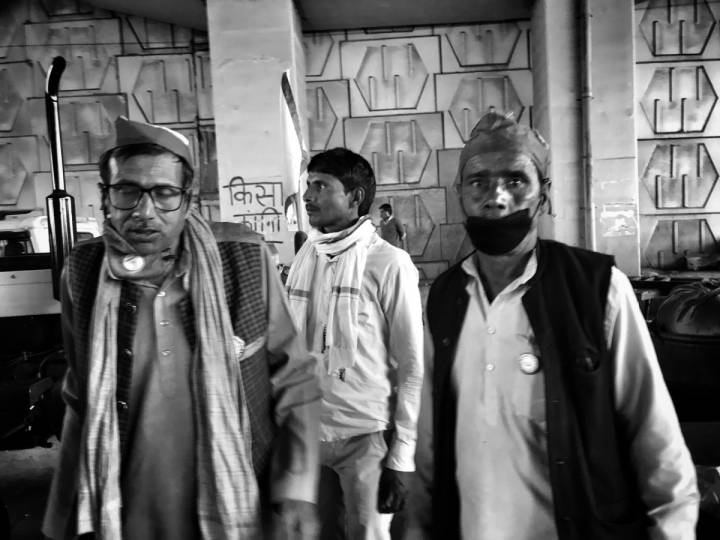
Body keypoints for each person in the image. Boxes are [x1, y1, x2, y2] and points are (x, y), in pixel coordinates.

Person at [412, 112, 699, 540]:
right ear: (460, 195)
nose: (496, 198)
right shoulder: (444, 298)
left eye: (515, 181)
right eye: (478, 182)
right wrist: (417, 519)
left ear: (543, 196)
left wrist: (672, 531)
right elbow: (429, 435)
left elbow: (652, 432)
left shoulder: (597, 290)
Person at [42, 116, 320, 540]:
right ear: (105, 197)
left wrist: (297, 487)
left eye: (165, 194)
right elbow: (80, 395)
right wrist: (63, 511)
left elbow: (294, 379)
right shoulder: (82, 273)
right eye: (127, 191)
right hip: (129, 509)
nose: (144, 211)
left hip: (236, 502)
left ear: (188, 201)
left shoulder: (243, 259)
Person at [285, 148, 423, 539]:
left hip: (365, 437)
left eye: (322, 186)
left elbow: (412, 365)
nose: (308, 196)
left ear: (355, 197)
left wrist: (402, 456)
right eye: (308, 185)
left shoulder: (388, 264)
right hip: (306, 431)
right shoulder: (306, 257)